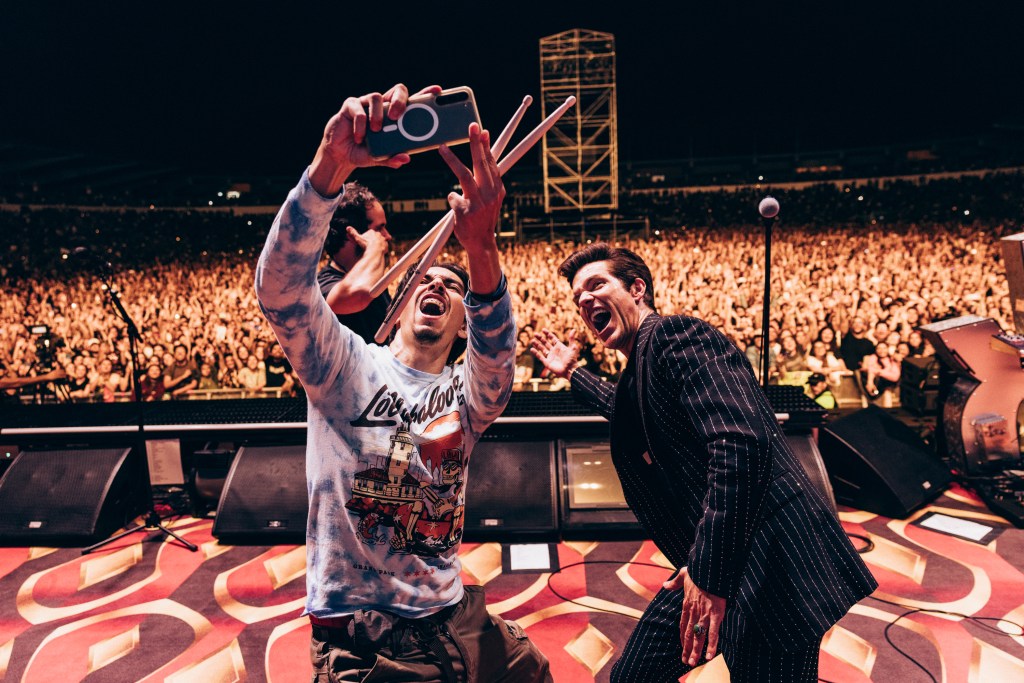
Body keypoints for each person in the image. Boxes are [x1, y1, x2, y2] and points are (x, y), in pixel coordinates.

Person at [254, 83, 549, 683]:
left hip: (453, 615)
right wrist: (329, 164)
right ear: (402, 300)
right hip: (366, 638)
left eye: (453, 286)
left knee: (534, 671)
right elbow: (280, 291)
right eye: (425, 278)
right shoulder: (344, 365)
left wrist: (481, 245)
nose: (437, 284)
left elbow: (498, 360)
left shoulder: (468, 396)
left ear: (466, 323)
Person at [530, 243, 876, 683]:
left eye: (596, 285)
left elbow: (740, 444)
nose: (584, 299)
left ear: (637, 289)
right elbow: (632, 411)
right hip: (716, 557)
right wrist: (573, 373)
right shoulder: (644, 361)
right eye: (578, 296)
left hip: (769, 564)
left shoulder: (675, 336)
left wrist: (708, 575)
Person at [316, 182, 393, 345]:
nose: (387, 236)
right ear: (353, 235)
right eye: (379, 229)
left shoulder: (372, 276)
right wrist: (374, 248)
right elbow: (359, 295)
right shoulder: (322, 286)